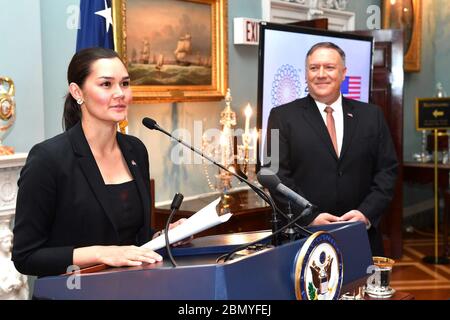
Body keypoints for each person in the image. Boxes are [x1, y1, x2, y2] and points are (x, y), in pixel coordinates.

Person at [12, 47, 189, 277]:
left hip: (134, 288)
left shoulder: (135, 150)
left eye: (125, 84)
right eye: (106, 84)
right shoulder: (48, 159)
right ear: (77, 92)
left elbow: (134, 239)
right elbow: (26, 257)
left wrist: (164, 237)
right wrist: (100, 253)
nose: (120, 93)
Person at [264, 42, 398, 256]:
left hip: (360, 235)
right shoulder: (280, 116)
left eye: (329, 67)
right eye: (314, 68)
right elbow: (274, 174)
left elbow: (387, 171)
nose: (321, 74)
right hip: (304, 236)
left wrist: (366, 213)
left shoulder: (372, 116)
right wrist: (309, 216)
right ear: (306, 73)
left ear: (343, 73)